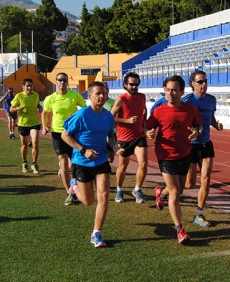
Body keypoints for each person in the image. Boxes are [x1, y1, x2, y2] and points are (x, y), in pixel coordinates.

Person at [153, 70, 223, 228]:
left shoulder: (211, 100)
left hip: (206, 143)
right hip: (189, 146)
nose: (203, 84)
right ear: (192, 84)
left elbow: (210, 119)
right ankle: (162, 193)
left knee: (206, 179)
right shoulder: (187, 100)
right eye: (200, 82)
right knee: (187, 185)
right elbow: (167, 107)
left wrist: (215, 124)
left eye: (205, 81)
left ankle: (199, 214)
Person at [62, 81, 122, 248]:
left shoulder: (108, 116)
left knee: (103, 197)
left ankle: (96, 233)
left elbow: (111, 137)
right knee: (88, 201)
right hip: (82, 162)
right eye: (98, 94)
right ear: (89, 97)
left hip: (101, 161)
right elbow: (65, 136)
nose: (101, 96)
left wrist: (115, 149)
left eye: (103, 93)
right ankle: (73, 188)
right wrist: (83, 150)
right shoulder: (82, 115)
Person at [145, 75, 202, 244]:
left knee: (180, 189)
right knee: (175, 192)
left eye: (174, 90)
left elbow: (198, 125)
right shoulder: (158, 111)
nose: (171, 93)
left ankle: (160, 193)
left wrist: (197, 131)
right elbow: (147, 127)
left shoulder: (190, 110)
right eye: (168, 89)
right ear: (165, 90)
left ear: (182, 91)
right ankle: (180, 230)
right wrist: (148, 132)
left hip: (184, 153)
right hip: (165, 155)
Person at [41, 72, 87, 205]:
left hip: (72, 133)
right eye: (60, 80)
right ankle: (69, 192)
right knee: (63, 162)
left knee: (73, 163)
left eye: (64, 80)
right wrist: (44, 127)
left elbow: (84, 109)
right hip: (57, 133)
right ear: (56, 81)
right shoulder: (51, 98)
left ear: (67, 82)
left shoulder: (75, 96)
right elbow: (44, 112)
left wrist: (80, 123)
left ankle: (71, 180)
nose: (62, 82)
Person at [111, 72, 151, 203]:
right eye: (132, 84)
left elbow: (144, 112)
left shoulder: (142, 97)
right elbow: (110, 118)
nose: (134, 87)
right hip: (124, 138)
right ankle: (119, 189)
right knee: (123, 166)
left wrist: (144, 127)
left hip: (139, 136)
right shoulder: (121, 99)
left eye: (136, 84)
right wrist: (127, 121)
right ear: (125, 85)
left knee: (144, 164)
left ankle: (137, 189)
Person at [10, 78, 42, 174]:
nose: (29, 87)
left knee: (35, 142)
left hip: (35, 123)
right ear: (23, 87)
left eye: (31, 85)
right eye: (27, 85)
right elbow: (11, 109)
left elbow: (37, 105)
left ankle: (34, 164)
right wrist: (18, 108)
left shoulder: (36, 95)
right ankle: (24, 162)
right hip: (23, 124)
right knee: (24, 146)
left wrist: (40, 107)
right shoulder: (19, 96)